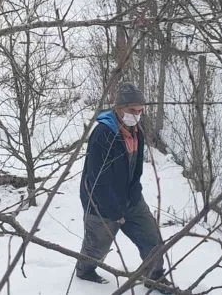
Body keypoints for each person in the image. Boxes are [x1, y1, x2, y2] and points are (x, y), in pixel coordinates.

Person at [75, 82, 171, 292]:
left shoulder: (138, 133)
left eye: (140, 110)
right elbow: (97, 178)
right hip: (101, 202)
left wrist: (134, 195)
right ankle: (85, 271)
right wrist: (113, 210)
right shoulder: (103, 134)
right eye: (131, 110)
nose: (136, 115)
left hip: (130, 198)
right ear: (118, 108)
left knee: (151, 237)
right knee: (96, 245)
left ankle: (154, 276)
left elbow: (135, 170)